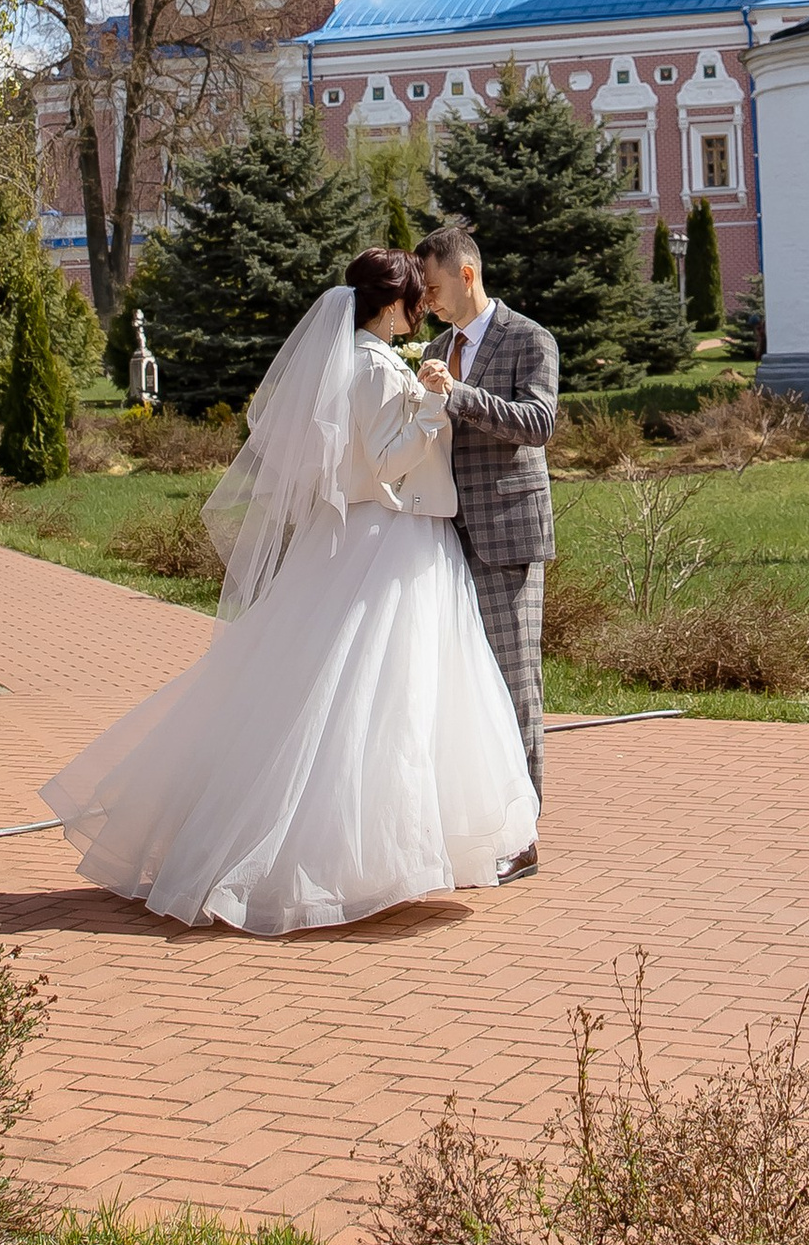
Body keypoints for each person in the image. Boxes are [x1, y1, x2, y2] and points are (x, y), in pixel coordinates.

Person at [39, 247, 535, 933]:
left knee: (396, 696)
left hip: (400, 538)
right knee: (375, 696)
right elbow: (387, 460)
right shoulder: (367, 365)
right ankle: (348, 860)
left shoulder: (369, 359)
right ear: (393, 303)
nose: (422, 304)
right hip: (389, 540)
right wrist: (429, 401)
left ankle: (397, 852)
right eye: (415, 295)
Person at [414, 218, 556, 881]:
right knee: (468, 688)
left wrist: (457, 395)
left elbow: (538, 422)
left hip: (508, 538)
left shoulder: (529, 338)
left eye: (435, 285)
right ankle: (481, 822)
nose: (429, 299)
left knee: (514, 682)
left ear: (466, 273)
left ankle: (523, 833)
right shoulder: (437, 346)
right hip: (447, 542)